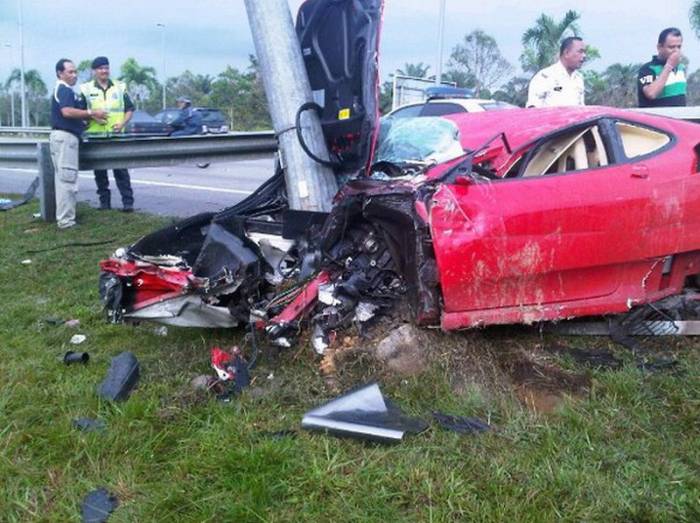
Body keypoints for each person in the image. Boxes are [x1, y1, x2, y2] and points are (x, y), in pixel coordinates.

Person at [50, 58, 107, 229]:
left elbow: (72, 115)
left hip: (64, 137)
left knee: (63, 180)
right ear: (60, 73)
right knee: (67, 181)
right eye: (70, 72)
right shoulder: (64, 89)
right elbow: (66, 112)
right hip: (65, 138)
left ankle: (65, 218)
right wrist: (91, 112)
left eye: (75, 72)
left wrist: (87, 118)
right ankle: (66, 221)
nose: (74, 75)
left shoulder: (64, 90)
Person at [79, 56, 135, 212]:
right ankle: (105, 204)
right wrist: (92, 116)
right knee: (100, 173)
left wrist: (123, 123)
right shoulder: (86, 89)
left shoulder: (119, 87)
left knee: (121, 171)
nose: (104, 71)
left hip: (117, 136)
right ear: (94, 71)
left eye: (106, 68)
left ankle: (128, 203)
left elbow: (130, 109)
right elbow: (81, 112)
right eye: (100, 68)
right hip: (96, 137)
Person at [526, 37, 586, 108]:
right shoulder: (545, 76)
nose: (584, 56)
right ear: (566, 53)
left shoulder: (579, 78)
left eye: (584, 52)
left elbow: (581, 108)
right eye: (580, 52)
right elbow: (532, 108)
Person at [638, 28, 687, 108]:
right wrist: (668, 67)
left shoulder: (681, 68)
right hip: (655, 119)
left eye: (679, 47)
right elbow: (651, 93)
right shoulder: (647, 69)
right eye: (671, 47)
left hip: (677, 118)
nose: (676, 51)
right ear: (659, 47)